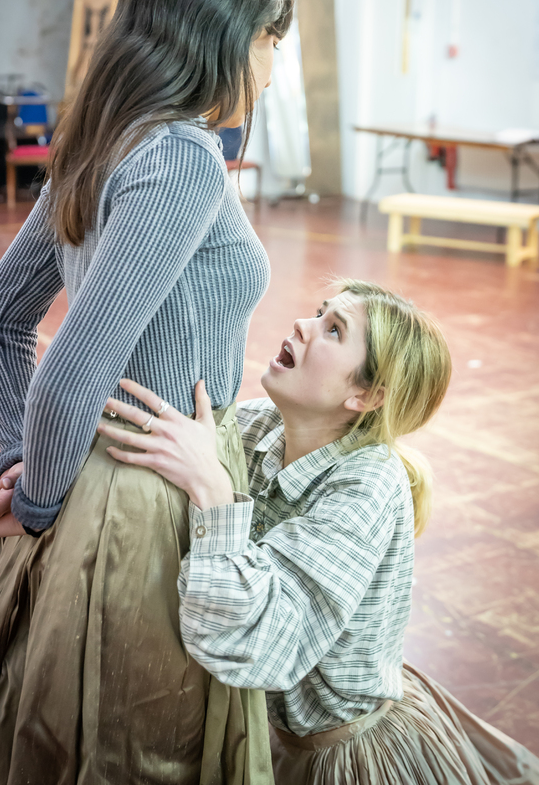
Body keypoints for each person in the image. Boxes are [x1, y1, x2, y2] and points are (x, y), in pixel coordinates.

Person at [0, 0, 293, 785]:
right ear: (221, 35)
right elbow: (65, 373)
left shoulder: (109, 138)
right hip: (149, 504)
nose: (275, 65)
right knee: (139, 749)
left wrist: (30, 464)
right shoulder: (182, 157)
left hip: (106, 486)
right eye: (270, 39)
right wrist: (35, 498)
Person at [95, 279, 539, 785]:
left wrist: (213, 491)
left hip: (341, 756)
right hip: (275, 734)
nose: (303, 326)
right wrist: (36, 483)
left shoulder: (369, 484)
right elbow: (152, 454)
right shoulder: (262, 426)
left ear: (366, 395)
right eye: (318, 313)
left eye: (333, 330)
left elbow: (259, 647)